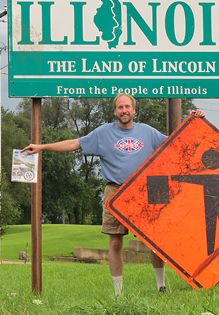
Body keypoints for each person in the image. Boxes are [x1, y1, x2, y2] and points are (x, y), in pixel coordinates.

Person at [21, 93, 205, 295]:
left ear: (134, 110)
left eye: (127, 107)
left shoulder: (148, 133)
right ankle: (118, 293)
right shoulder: (103, 134)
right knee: (116, 240)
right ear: (115, 111)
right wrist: (42, 147)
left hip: (146, 189)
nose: (124, 110)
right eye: (120, 107)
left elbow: (176, 144)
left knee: (155, 241)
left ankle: (161, 285)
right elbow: (75, 143)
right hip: (115, 190)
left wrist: (195, 121)